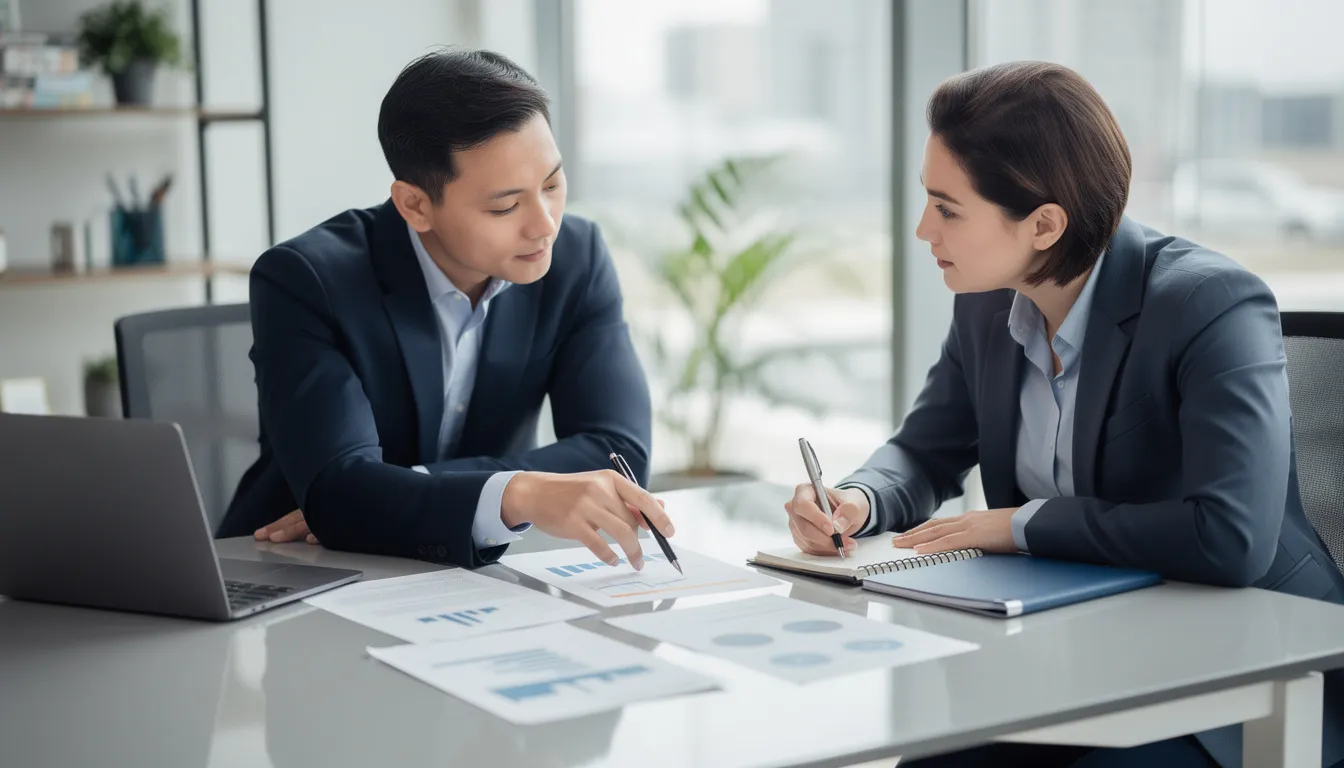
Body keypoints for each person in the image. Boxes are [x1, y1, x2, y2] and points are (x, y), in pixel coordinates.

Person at [783, 61, 1344, 768]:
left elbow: (1230, 537)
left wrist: (1019, 527)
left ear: (1045, 223)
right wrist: (858, 500)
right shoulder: (988, 304)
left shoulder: (1211, 305)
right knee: (931, 760)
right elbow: (925, 451)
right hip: (1087, 649)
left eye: (948, 208)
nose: (925, 228)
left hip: (1250, 670)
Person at [218, 48, 674, 572]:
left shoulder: (576, 256)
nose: (545, 224)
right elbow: (340, 490)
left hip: (468, 572)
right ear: (415, 205)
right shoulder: (306, 280)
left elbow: (618, 455)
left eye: (552, 184)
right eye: (506, 206)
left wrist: (405, 488)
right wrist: (515, 494)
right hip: (298, 564)